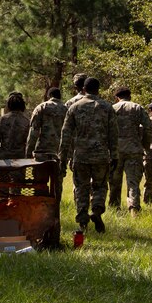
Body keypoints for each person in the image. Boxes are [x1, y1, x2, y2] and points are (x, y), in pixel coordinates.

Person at [60, 77, 117, 233]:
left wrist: (63, 158)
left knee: (81, 188)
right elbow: (113, 134)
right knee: (100, 187)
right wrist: (115, 155)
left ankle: (83, 221)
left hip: (81, 156)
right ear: (98, 90)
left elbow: (65, 135)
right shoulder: (107, 107)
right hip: (101, 156)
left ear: (83, 89)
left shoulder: (74, 107)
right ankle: (97, 212)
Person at [110, 86, 152, 213]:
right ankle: (134, 209)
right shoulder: (137, 108)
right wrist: (145, 145)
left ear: (117, 97)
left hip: (116, 151)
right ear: (130, 95)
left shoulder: (112, 109)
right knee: (133, 182)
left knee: (114, 182)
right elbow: (148, 127)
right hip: (134, 150)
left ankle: (114, 208)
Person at [26, 87, 67, 163]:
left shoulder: (41, 107)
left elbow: (34, 131)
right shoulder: (66, 109)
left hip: (42, 151)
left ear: (50, 95)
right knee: (57, 174)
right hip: (59, 152)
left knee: (41, 174)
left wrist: (29, 151)